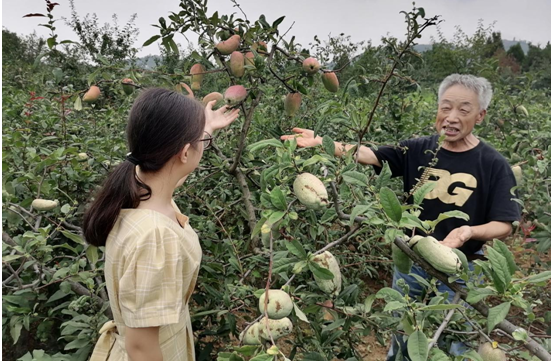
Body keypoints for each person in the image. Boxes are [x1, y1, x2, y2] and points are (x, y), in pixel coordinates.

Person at [281, 73, 521, 359]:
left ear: (480, 115)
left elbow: (505, 224)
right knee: (404, 333)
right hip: (412, 260)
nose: (452, 117)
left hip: (461, 265)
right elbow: (371, 155)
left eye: (464, 110)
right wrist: (326, 143)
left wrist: (468, 232)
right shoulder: (419, 148)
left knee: (453, 339)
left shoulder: (493, 164)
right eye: (445, 107)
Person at [83, 87, 240, 361]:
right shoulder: (155, 236)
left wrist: (207, 128)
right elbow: (141, 349)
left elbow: (174, 174)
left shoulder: (139, 185)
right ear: (184, 152)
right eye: (200, 140)